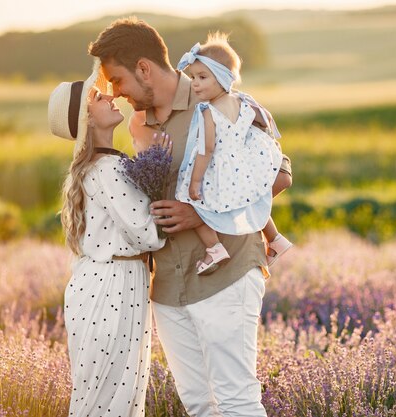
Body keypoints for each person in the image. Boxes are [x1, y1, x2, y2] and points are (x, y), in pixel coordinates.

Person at [89, 17, 293, 417]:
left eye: (117, 80)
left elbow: (279, 174)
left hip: (227, 270)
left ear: (144, 69)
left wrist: (201, 210)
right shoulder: (137, 124)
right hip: (166, 286)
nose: (115, 93)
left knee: (237, 400)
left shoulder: (214, 96)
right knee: (200, 406)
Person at [48, 60, 166, 417]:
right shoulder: (108, 168)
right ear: (87, 120)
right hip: (113, 286)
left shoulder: (104, 164)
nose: (111, 96)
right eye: (99, 98)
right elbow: (147, 233)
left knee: (106, 394)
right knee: (111, 397)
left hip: (108, 282)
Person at [175, 33, 293, 275]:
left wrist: (195, 181)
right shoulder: (242, 101)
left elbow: (206, 149)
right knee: (252, 198)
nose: (195, 83)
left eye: (202, 77)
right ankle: (276, 239)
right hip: (244, 164)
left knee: (192, 201)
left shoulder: (208, 110)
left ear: (221, 77)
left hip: (222, 167)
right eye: (193, 77)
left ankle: (214, 247)